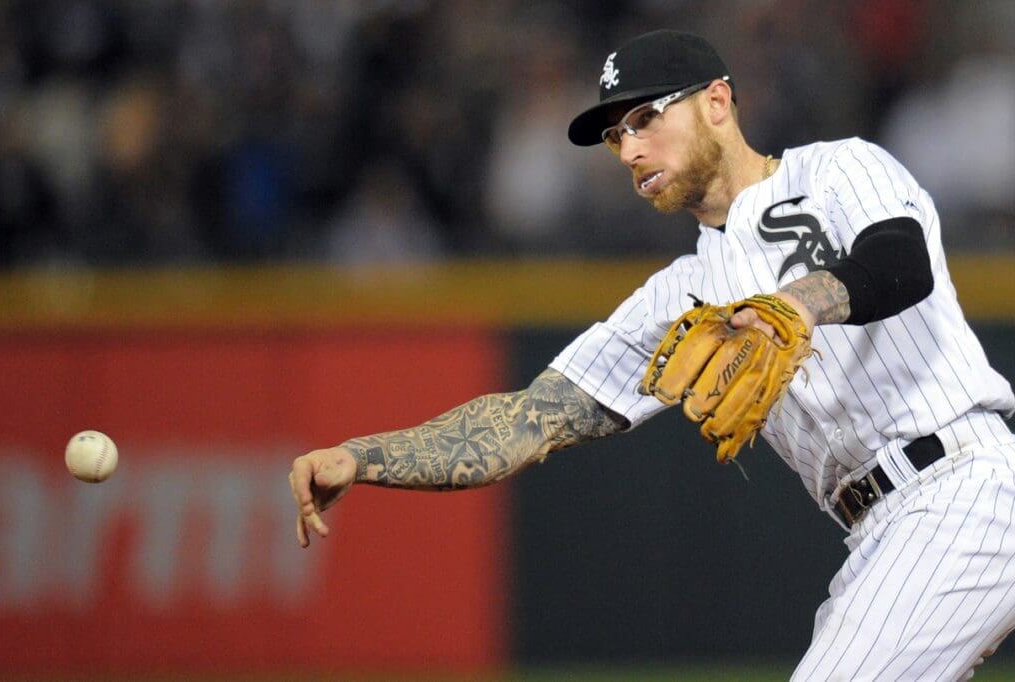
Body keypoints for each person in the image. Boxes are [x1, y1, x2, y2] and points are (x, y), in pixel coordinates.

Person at [288, 30, 1015, 679]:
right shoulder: (680, 297)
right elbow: (530, 420)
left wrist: (792, 306)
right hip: (881, 533)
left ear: (718, 102)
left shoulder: (837, 170)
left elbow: (899, 261)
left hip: (962, 484)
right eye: (615, 135)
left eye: (645, 117)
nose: (630, 149)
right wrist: (363, 456)